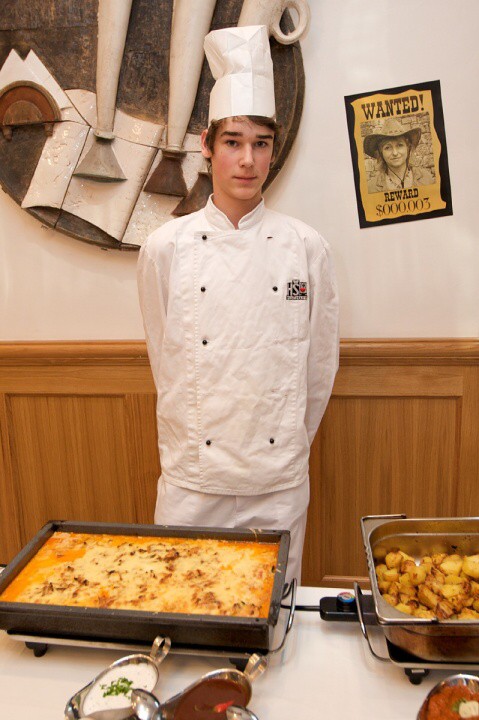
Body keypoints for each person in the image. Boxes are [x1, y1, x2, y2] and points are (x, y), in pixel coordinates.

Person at [137, 25, 339, 583]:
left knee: (272, 610)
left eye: (261, 143)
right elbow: (165, 361)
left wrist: (287, 449)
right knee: (181, 602)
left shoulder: (306, 248)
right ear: (206, 145)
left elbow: (319, 368)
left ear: (273, 149)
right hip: (192, 482)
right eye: (233, 142)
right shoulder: (165, 248)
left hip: (277, 483)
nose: (248, 160)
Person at [364, 117, 434, 194]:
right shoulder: (371, 188)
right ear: (381, 153)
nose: (395, 153)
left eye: (400, 145)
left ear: (408, 148)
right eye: (387, 148)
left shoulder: (426, 178)